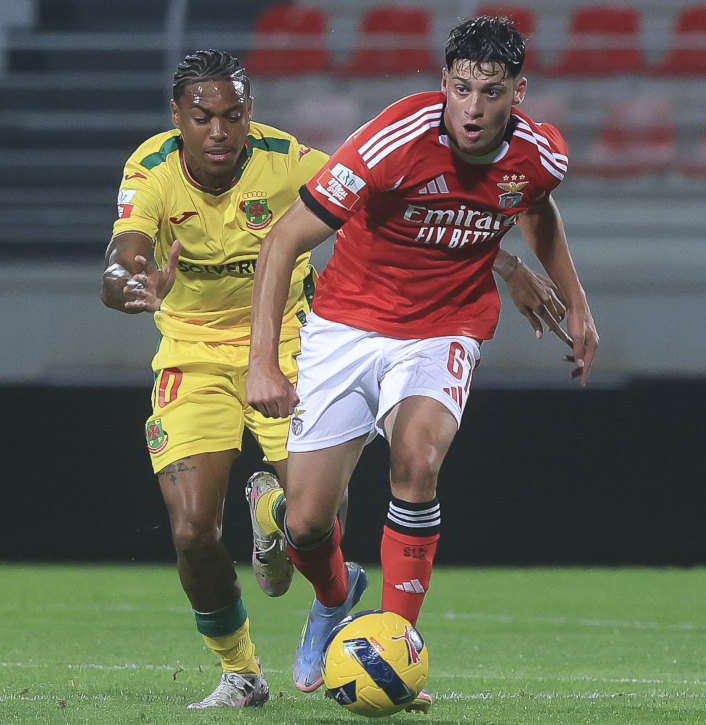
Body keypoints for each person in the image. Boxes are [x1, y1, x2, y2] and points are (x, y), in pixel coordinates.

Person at [245, 15, 599, 711]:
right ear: (443, 82)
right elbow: (285, 240)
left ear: (517, 92)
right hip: (347, 325)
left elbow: (535, 205)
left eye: (491, 92)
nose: (473, 106)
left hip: (445, 327)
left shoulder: (540, 153)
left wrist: (573, 299)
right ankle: (334, 595)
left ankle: (396, 650)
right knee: (312, 523)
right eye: (462, 88)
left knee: (417, 459)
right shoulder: (392, 141)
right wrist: (265, 363)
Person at [100, 49, 330, 709]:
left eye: (233, 115)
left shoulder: (289, 162)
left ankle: (275, 515)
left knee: (321, 523)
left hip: (287, 343)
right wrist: (133, 283)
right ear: (178, 117)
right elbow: (120, 260)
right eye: (203, 117)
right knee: (193, 531)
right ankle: (242, 672)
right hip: (191, 354)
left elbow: (380, 198)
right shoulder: (151, 171)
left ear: (250, 113)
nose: (220, 131)